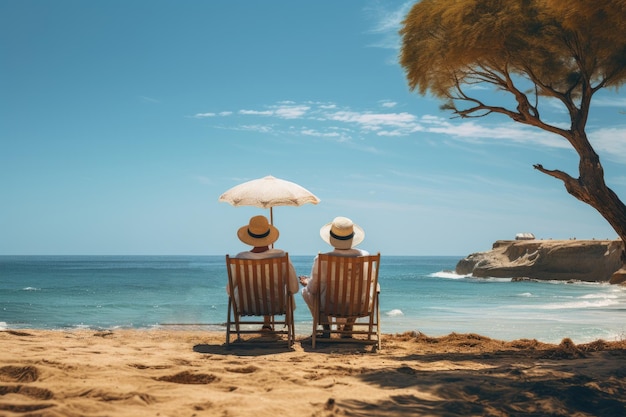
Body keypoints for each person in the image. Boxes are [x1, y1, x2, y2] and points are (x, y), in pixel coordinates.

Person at [300, 216, 376, 338]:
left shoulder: (322, 259)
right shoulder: (365, 256)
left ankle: (326, 328)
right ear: (352, 237)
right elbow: (371, 279)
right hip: (359, 305)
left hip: (329, 305)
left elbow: (314, 288)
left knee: (306, 291)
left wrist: (307, 283)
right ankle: (348, 326)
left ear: (331, 238)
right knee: (370, 288)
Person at [228, 215, 298, 331]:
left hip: (247, 306)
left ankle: (266, 324)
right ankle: (268, 324)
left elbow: (230, 289)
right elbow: (294, 288)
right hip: (277, 305)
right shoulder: (281, 255)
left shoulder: (241, 258)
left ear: (250, 236)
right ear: (269, 236)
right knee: (279, 291)